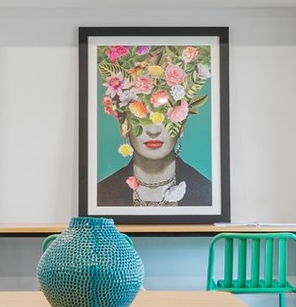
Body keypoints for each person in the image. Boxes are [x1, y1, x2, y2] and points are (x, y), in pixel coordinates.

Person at [92, 42, 215, 210]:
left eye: (165, 118)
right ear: (124, 125)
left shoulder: (207, 193)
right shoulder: (102, 194)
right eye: (141, 118)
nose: (154, 131)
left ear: (182, 125)